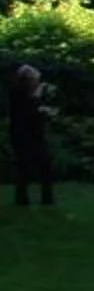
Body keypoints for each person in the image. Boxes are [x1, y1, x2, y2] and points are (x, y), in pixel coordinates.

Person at [9, 63, 53, 207]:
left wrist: (44, 110)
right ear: (27, 80)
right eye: (35, 80)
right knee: (24, 168)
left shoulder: (30, 94)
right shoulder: (19, 94)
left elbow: (36, 110)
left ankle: (47, 199)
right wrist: (40, 105)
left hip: (35, 134)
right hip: (23, 136)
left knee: (45, 165)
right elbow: (29, 112)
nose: (38, 83)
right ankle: (22, 200)